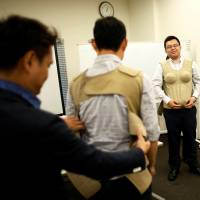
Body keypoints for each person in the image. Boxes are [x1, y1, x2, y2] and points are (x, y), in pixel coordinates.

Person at [0, 15, 151, 200]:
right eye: (48, 65)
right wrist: (140, 154)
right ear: (30, 60)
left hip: (90, 185)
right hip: (125, 176)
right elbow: (96, 162)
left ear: (94, 44)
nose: (47, 75)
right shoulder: (42, 125)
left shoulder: (75, 85)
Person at [66, 16, 160, 200]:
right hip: (133, 177)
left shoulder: (75, 84)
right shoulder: (139, 79)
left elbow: (72, 132)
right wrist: (152, 166)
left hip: (91, 180)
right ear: (124, 42)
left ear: (94, 44)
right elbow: (152, 132)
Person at [152, 35, 200, 181]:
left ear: (179, 47)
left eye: (175, 45)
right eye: (169, 46)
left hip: (189, 108)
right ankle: (174, 166)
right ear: (166, 50)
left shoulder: (191, 63)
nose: (172, 48)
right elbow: (155, 86)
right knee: (173, 139)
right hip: (171, 111)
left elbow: (198, 82)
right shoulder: (161, 65)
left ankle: (192, 162)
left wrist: (194, 97)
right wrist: (167, 100)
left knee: (190, 137)